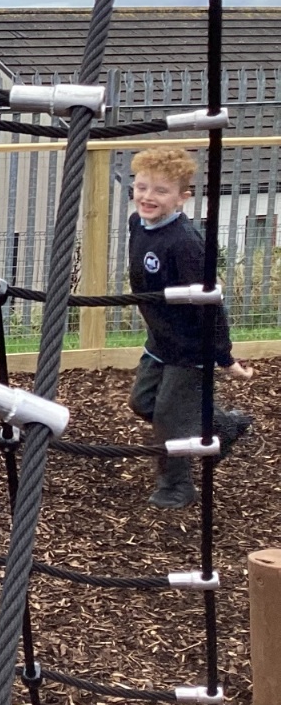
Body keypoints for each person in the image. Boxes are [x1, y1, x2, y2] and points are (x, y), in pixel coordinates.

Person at [125, 147, 253, 509]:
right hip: (161, 338)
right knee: (142, 402)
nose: (148, 197)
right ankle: (221, 425)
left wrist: (223, 356)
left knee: (168, 418)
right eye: (142, 187)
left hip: (192, 347)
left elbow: (211, 304)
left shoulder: (185, 243)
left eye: (161, 191)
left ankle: (177, 487)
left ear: (183, 197)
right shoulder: (137, 223)